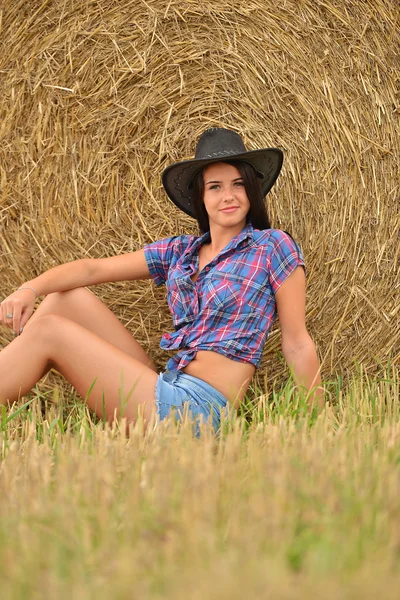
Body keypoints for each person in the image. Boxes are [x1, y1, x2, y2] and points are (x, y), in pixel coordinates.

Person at [0, 128, 324, 437]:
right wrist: (30, 288)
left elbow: (296, 342)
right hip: (167, 385)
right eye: (215, 186)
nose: (229, 196)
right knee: (65, 300)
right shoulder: (180, 252)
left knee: (49, 331)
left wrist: (320, 425)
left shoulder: (272, 247)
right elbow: (90, 270)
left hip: (195, 412)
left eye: (238, 184)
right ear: (200, 196)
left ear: (251, 191)